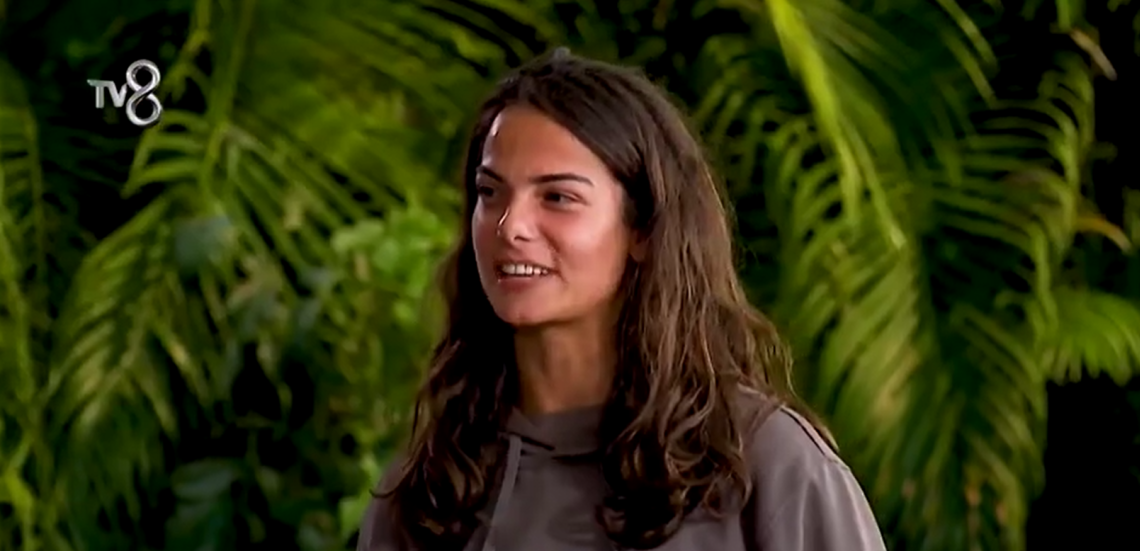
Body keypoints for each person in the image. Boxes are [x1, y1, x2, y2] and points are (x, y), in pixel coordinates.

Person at [356, 48, 887, 551]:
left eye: (557, 197)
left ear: (644, 230)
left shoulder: (763, 468)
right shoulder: (432, 490)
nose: (510, 225)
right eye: (490, 192)